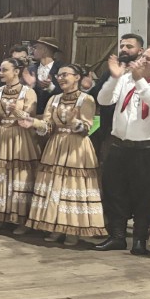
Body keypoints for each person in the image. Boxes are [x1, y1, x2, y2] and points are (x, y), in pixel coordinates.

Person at [22, 64, 106, 245]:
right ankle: (54, 226)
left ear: (77, 77)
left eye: (65, 75)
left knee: (72, 186)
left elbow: (86, 129)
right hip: (56, 145)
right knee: (55, 186)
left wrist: (75, 121)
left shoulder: (87, 99)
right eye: (58, 75)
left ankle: (72, 230)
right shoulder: (54, 99)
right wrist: (34, 123)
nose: (60, 78)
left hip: (77, 147)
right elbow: (48, 125)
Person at [94, 46, 150, 254]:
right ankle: (117, 236)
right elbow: (103, 100)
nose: (141, 61)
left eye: (148, 60)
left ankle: (139, 240)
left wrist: (140, 80)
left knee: (146, 195)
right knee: (114, 191)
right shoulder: (125, 79)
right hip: (119, 145)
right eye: (142, 57)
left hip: (148, 148)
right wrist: (114, 78)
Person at [0, 59, 39, 233]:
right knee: (0, 175)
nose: (2, 73)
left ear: (16, 71)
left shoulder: (28, 92)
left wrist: (14, 110)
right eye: (1, 70)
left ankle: (20, 218)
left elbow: (30, 117)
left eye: (5, 70)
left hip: (19, 136)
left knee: (18, 176)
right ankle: (0, 216)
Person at [90, 33, 144, 160]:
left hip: (140, 133)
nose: (124, 49)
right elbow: (97, 97)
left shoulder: (146, 72)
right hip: (111, 132)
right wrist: (88, 87)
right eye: (122, 46)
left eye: (129, 46)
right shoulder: (110, 71)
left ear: (140, 51)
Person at [24, 36, 62, 114]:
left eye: (35, 48)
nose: (32, 51)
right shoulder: (30, 69)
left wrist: (50, 87)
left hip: (54, 114)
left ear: (44, 50)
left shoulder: (61, 69)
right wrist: (30, 86)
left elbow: (66, 93)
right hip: (33, 115)